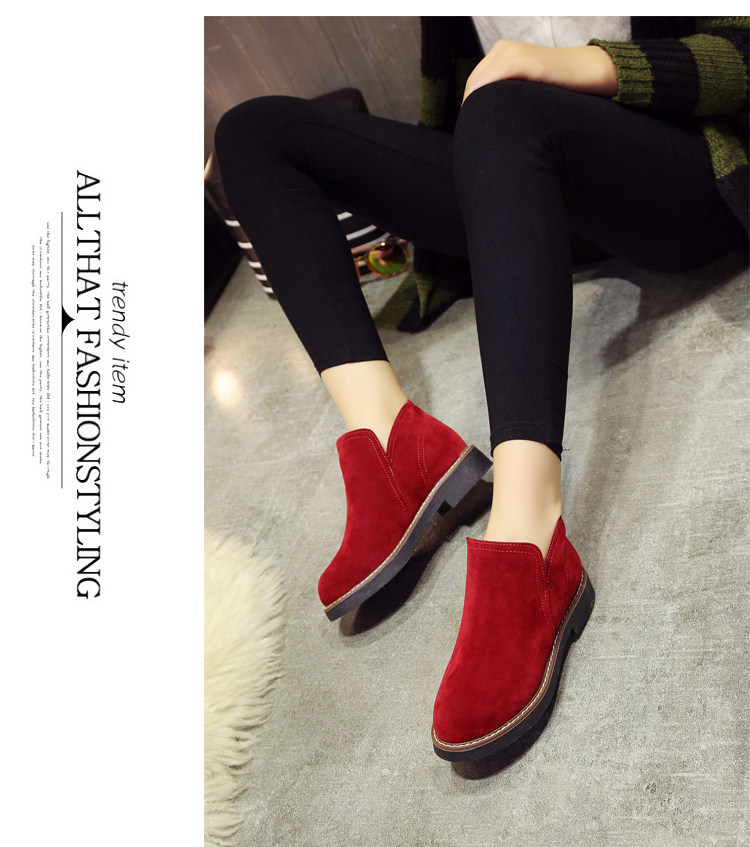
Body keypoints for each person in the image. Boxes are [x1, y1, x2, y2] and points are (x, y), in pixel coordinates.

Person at [213, 16, 749, 762]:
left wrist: (577, 65)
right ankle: (395, 448)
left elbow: (742, 57)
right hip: (524, 172)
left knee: (502, 105)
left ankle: (531, 530)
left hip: (677, 177)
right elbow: (451, 107)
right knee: (251, 133)